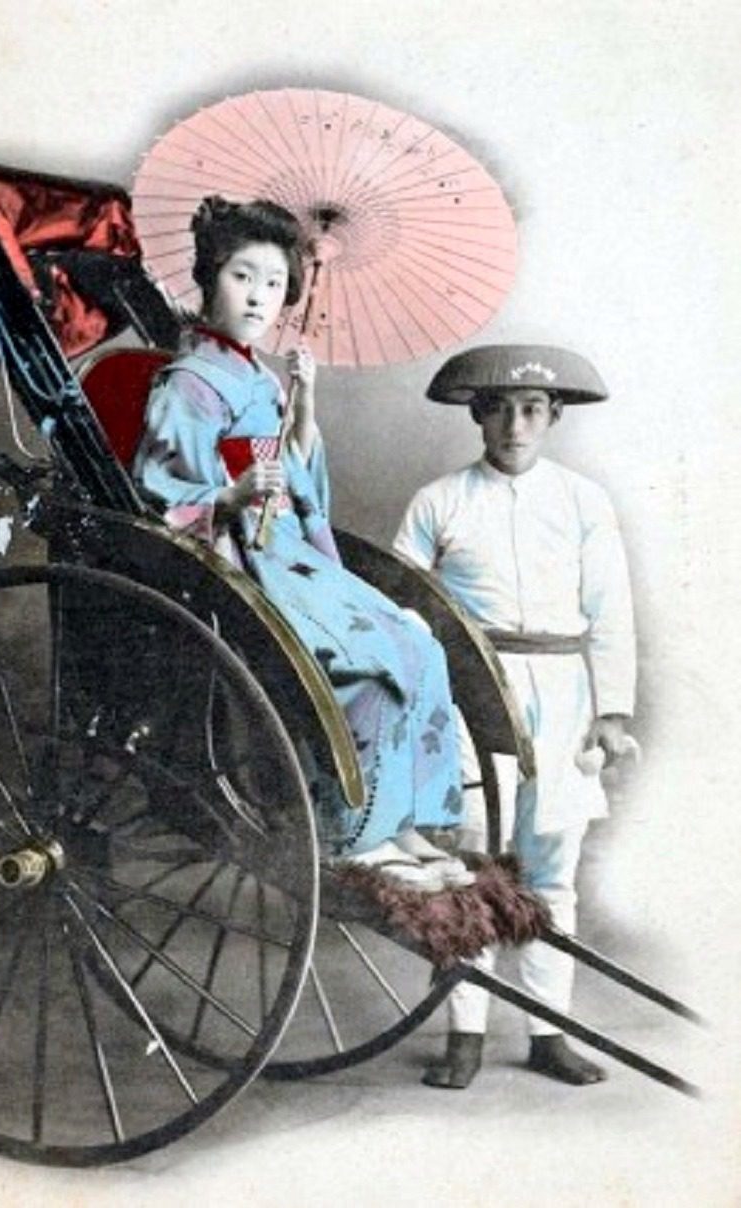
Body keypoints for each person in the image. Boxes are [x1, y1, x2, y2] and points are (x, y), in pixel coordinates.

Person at [133, 195, 473, 892]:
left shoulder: (261, 376)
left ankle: (399, 821)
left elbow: (295, 477)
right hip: (236, 559)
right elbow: (160, 495)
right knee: (368, 665)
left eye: (274, 283)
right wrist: (228, 497)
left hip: (286, 545)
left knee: (418, 641)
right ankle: (352, 835)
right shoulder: (189, 383)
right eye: (242, 276)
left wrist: (304, 408)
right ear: (209, 276)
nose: (259, 297)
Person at [394, 344, 636, 1083]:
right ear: (477, 415)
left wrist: (613, 713)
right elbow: (400, 609)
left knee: (549, 865)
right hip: (475, 690)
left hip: (563, 691)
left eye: (531, 410)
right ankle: (465, 1033)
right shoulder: (440, 500)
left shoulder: (583, 501)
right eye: (498, 409)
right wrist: (417, 699)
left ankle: (547, 1032)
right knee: (474, 860)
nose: (515, 426)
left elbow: (611, 612)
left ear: (553, 416)